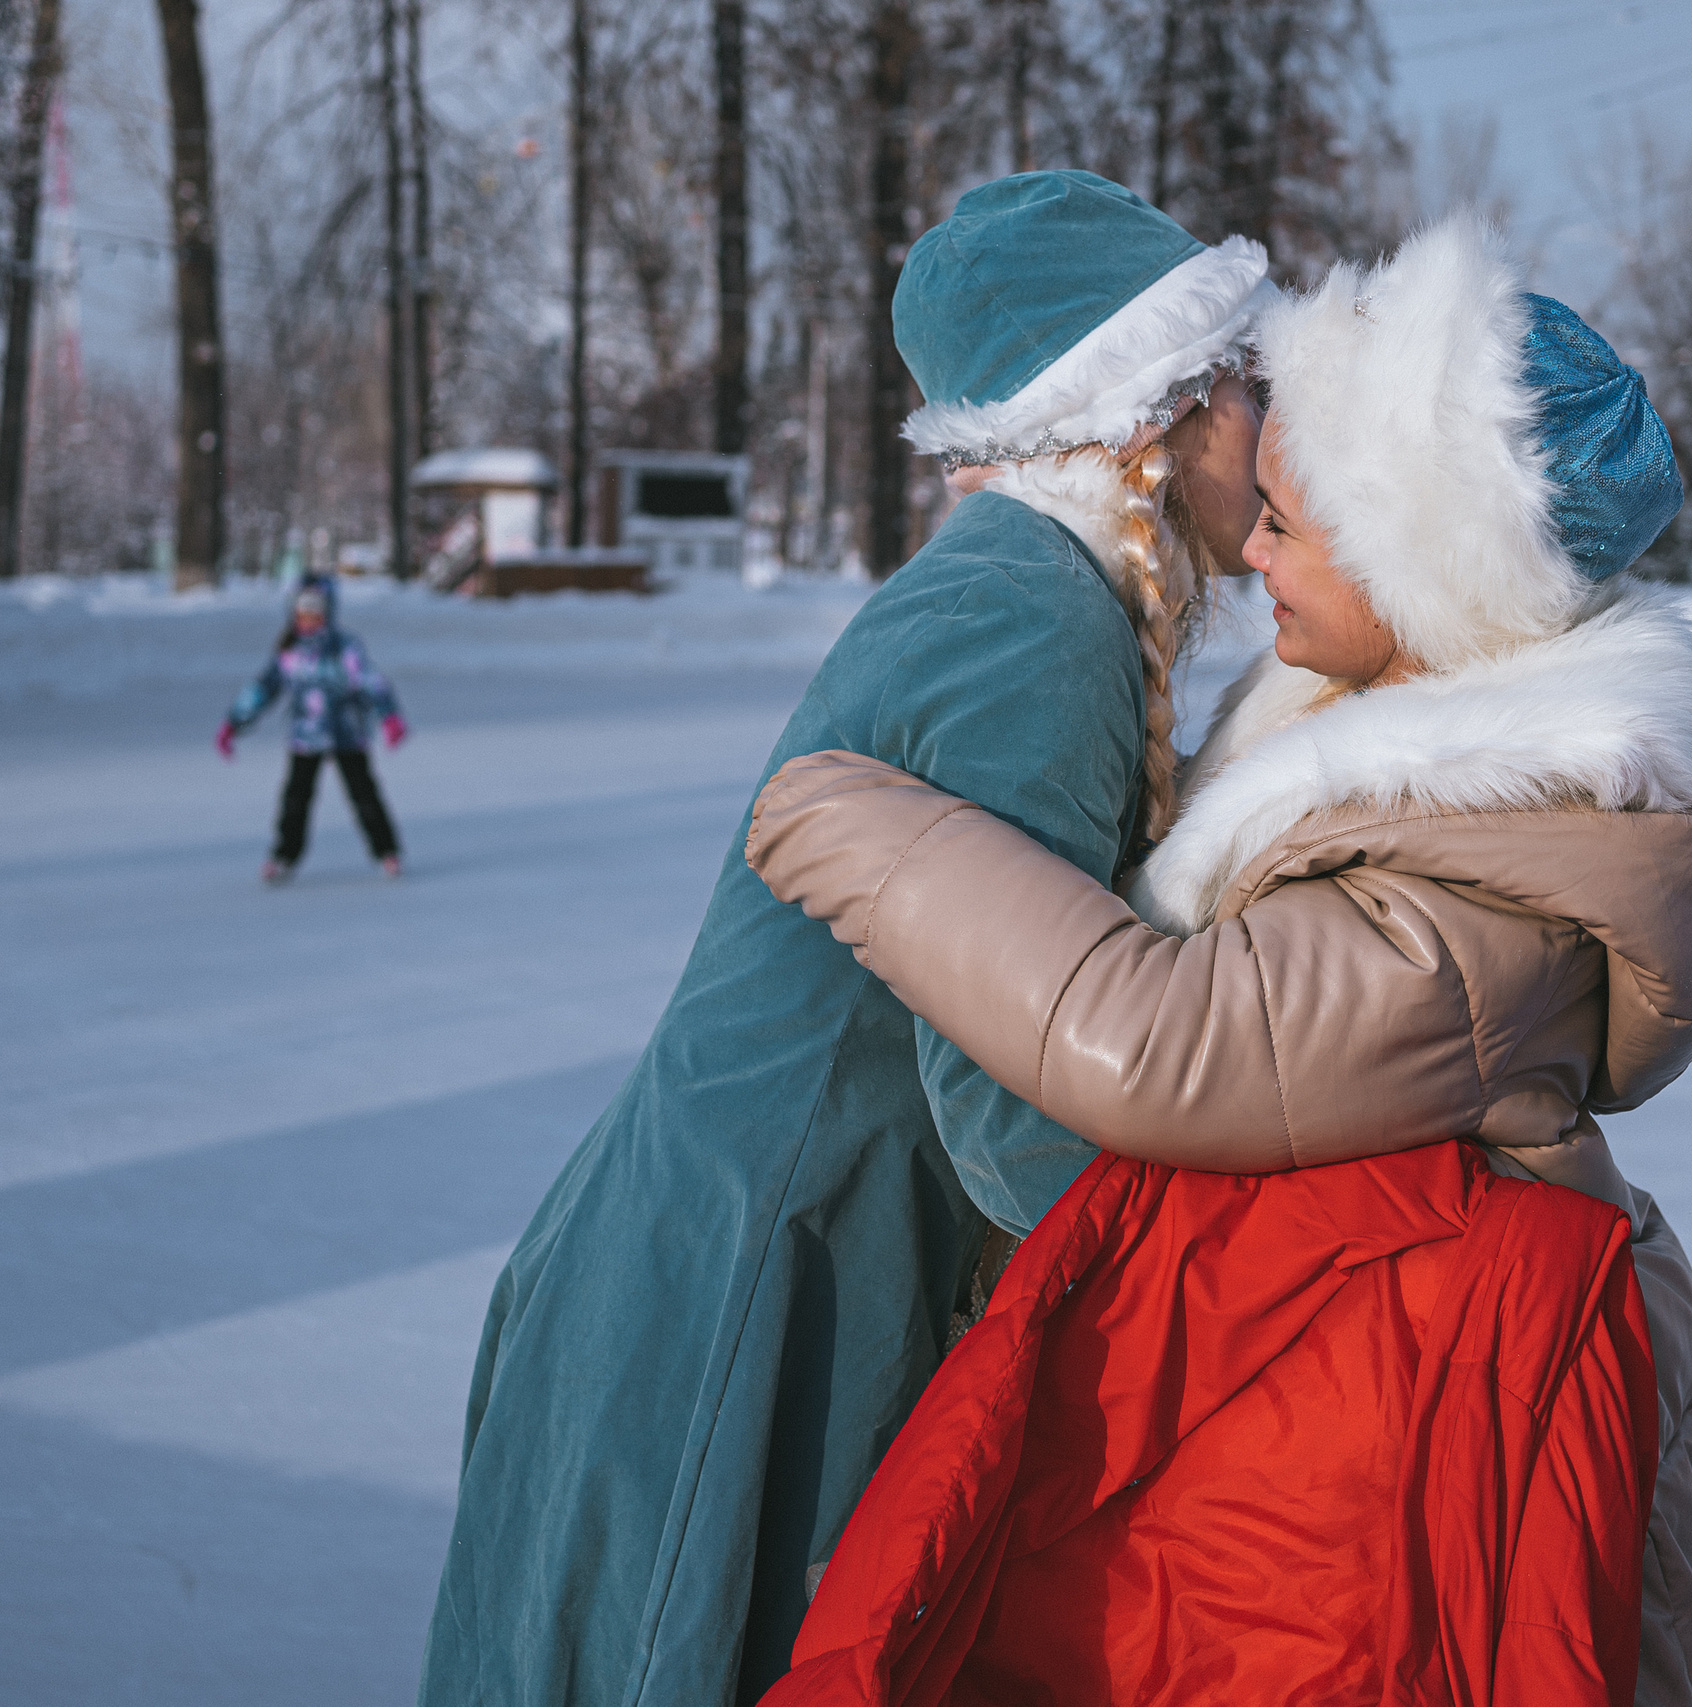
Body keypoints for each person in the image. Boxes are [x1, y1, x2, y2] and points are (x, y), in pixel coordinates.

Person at [746, 218, 1692, 1707]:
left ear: (1419, 568)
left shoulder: (1494, 874)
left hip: (1417, 1436)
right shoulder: (1373, 748)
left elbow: (1174, 1043)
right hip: (1343, 1412)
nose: (1254, 545)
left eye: (1293, 520)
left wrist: (850, 818)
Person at [416, 172, 1277, 1707]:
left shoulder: (1042, 585)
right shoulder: (1035, 614)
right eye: (1250, 383)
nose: (1274, 434)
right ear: (1160, 404)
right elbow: (1006, 1083)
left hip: (776, 1242)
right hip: (752, 1289)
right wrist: (1247, 1289)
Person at [216, 574, 405, 882]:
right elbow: (262, 690)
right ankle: (284, 855)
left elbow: (372, 682)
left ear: (329, 611)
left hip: (347, 733)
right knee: (296, 797)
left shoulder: (345, 649)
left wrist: (390, 715)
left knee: (364, 795)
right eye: (302, 612)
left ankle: (386, 851)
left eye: (316, 611)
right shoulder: (289, 653)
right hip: (306, 735)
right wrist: (234, 722)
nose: (308, 619)